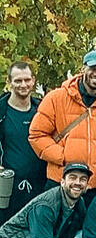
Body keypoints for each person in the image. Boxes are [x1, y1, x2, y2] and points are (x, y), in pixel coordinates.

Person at [29, 49, 96, 191]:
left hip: (94, 183)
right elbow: (37, 134)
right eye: (93, 68)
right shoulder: (56, 98)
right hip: (61, 180)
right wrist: (62, 157)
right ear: (83, 69)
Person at [0, 61, 46, 224]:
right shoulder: (1, 111)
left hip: (40, 186)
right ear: (9, 82)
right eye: (18, 81)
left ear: (33, 80)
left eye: (27, 80)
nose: (23, 85)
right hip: (7, 189)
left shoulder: (43, 109)